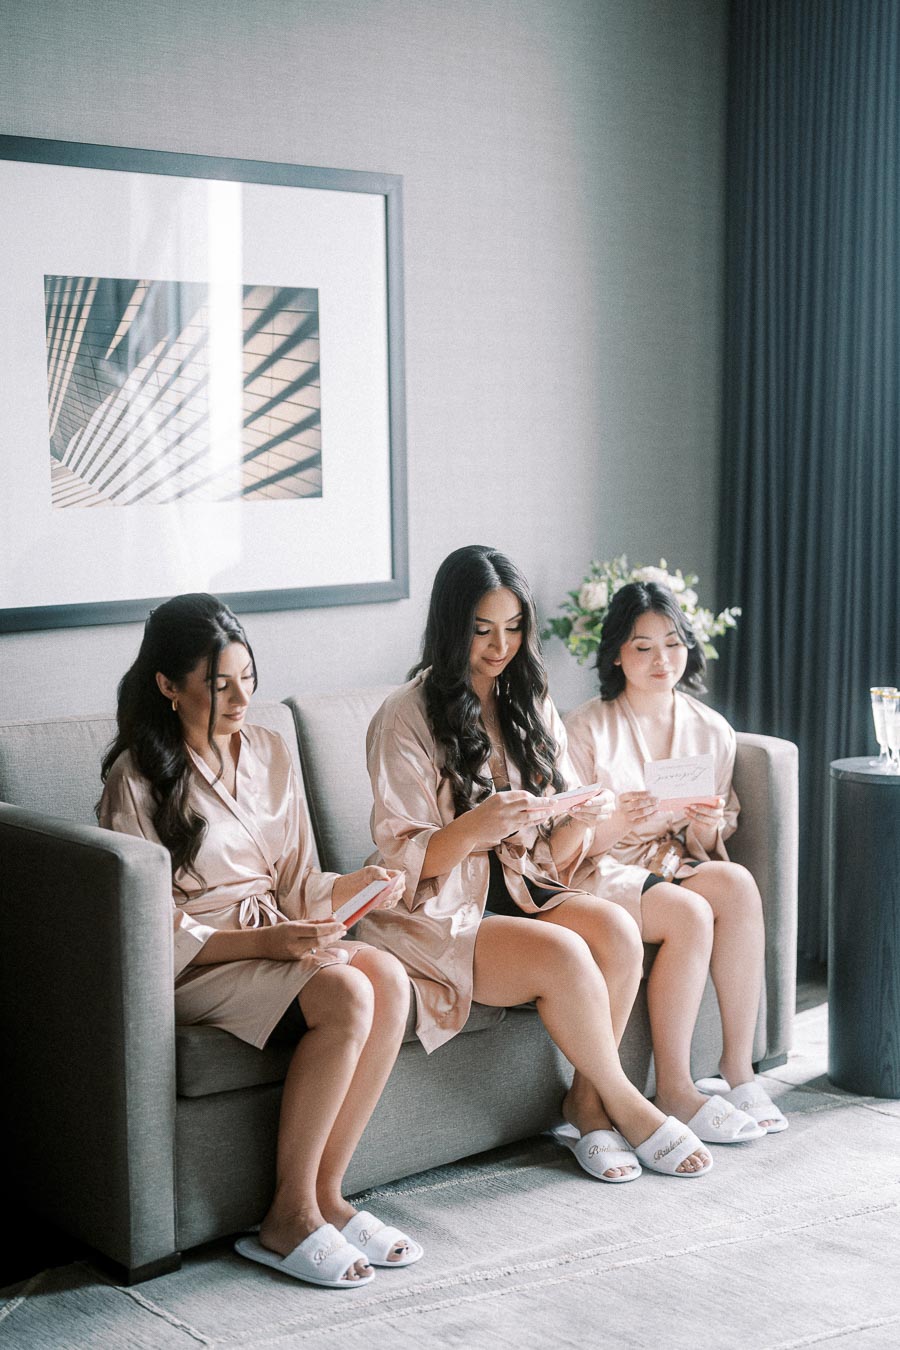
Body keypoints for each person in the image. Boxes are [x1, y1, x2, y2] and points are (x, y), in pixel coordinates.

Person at [98, 593, 423, 1290]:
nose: (241, 695)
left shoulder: (272, 749)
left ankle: (324, 1197)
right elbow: (149, 929)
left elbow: (300, 881)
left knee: (389, 979)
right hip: (198, 961)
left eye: (247, 676)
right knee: (343, 990)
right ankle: (288, 1216)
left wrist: (355, 885)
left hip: (274, 935)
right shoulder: (137, 777)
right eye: (219, 683)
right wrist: (266, 945)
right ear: (168, 686)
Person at [358, 545, 713, 1182]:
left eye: (515, 628)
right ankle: (630, 1106)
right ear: (450, 626)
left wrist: (583, 815)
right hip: (435, 907)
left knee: (616, 929)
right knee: (565, 955)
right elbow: (401, 855)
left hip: (524, 886)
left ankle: (584, 1103)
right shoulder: (402, 717)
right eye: (483, 630)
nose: (501, 647)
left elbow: (557, 851)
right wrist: (474, 827)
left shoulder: (530, 701)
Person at [563, 580, 788, 1139]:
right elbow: (563, 842)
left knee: (735, 883)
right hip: (603, 870)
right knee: (688, 911)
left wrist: (708, 825)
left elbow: (710, 830)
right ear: (616, 653)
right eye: (642, 647)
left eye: (673, 643)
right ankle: (675, 1087)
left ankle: (737, 1068)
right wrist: (620, 819)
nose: (661, 659)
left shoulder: (710, 729)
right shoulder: (586, 728)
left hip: (670, 859)